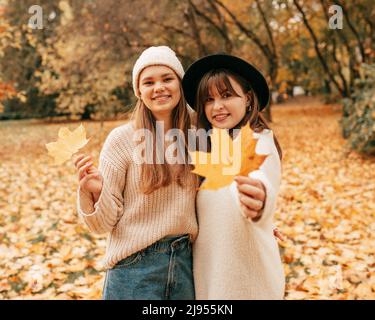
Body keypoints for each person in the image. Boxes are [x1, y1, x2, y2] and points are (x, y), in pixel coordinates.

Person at [73, 46, 267, 300]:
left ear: (180, 83)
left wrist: (256, 220)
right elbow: (101, 225)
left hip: (187, 265)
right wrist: (96, 193)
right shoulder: (121, 140)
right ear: (139, 92)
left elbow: (227, 186)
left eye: (167, 79)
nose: (159, 87)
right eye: (149, 82)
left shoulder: (203, 131)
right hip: (134, 268)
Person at [182, 53, 285, 299]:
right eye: (209, 99)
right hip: (211, 282)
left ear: (248, 99)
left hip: (247, 285)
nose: (217, 106)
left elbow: (260, 178)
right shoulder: (210, 149)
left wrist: (260, 205)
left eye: (227, 95)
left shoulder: (259, 142)